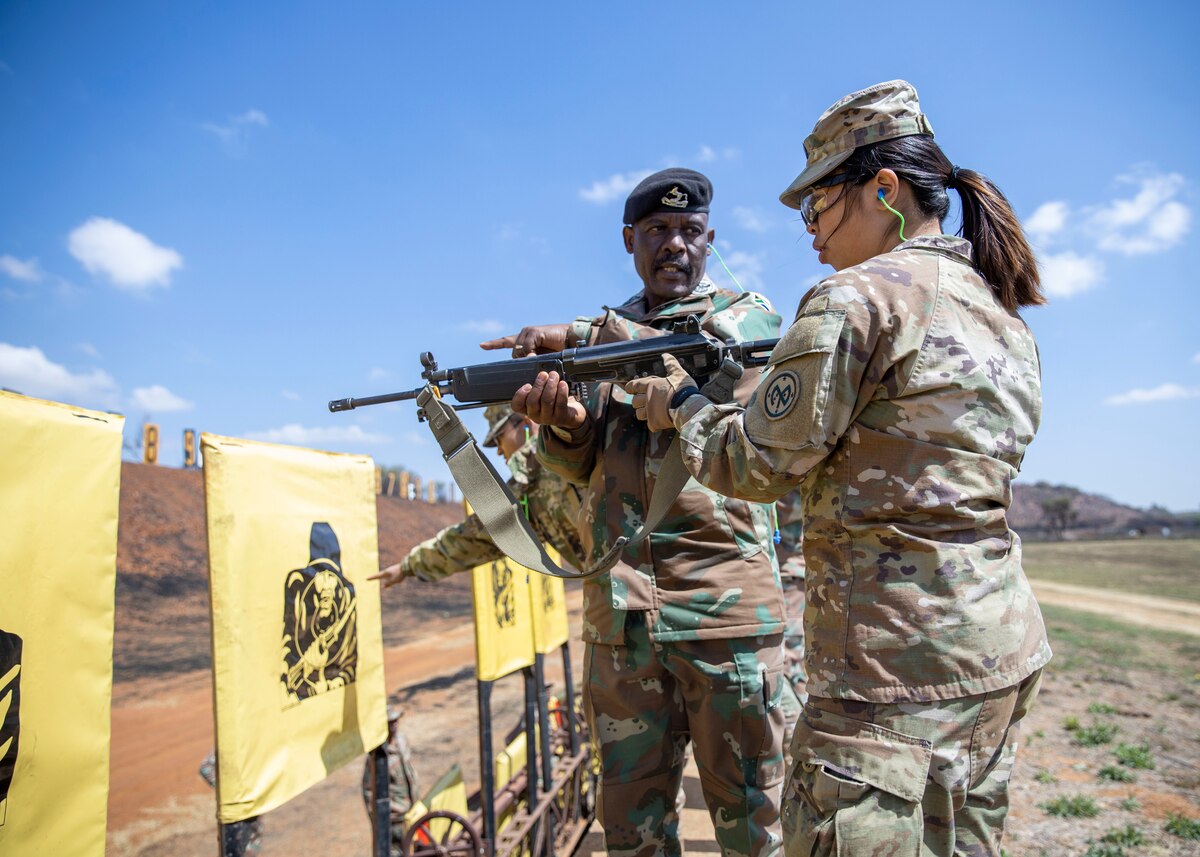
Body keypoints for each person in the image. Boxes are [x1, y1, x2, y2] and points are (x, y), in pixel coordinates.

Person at [621, 81, 1051, 856]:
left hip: (886, 681)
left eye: (817, 207)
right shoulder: (998, 303)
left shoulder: (855, 298)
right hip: (998, 652)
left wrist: (680, 403)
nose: (809, 232)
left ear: (883, 190)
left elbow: (751, 463)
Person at [502, 168, 788, 857]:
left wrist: (582, 333)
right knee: (631, 831)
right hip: (624, 620)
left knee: (752, 824)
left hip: (726, 611)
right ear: (630, 240)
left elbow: (695, 379)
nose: (675, 245)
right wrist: (566, 421)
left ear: (709, 239)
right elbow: (581, 463)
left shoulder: (747, 322)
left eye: (690, 231)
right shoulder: (603, 342)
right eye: (658, 231)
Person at [369, 404, 587, 586]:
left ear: (526, 422)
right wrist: (408, 566)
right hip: (611, 589)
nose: (499, 451)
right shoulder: (526, 491)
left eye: (499, 438)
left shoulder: (577, 442)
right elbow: (471, 539)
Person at [362, 706, 420, 857]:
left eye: (396, 721)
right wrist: (378, 820)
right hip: (392, 819)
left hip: (409, 812)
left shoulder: (402, 741)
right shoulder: (378, 755)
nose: (394, 724)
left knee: (411, 850)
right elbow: (368, 790)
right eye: (390, 722)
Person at [199, 750, 263, 855]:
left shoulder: (256, 747)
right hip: (234, 817)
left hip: (253, 814)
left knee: (251, 850)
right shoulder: (231, 746)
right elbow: (205, 768)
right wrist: (229, 793)